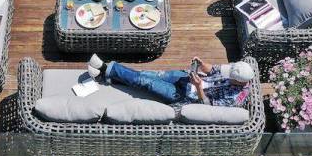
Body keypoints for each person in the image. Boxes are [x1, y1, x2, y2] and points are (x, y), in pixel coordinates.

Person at [86, 54, 254, 108]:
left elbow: (208, 106)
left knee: (145, 82)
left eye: (230, 75)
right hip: (186, 77)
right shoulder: (235, 71)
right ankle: (106, 76)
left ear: (238, 81)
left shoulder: (235, 98)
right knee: (147, 74)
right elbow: (213, 70)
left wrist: (198, 87)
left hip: (184, 96)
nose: (227, 74)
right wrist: (201, 64)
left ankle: (106, 68)